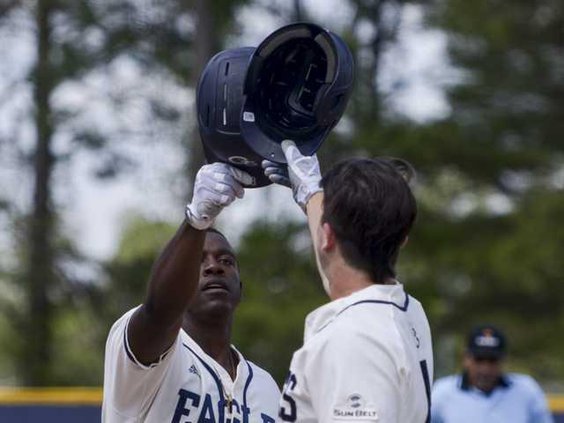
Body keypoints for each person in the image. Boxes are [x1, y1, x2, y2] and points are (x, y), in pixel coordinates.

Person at [263, 141, 434, 422]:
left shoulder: (354, 339)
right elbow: (338, 276)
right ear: (402, 240)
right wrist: (312, 196)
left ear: (327, 236)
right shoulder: (404, 309)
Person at [102, 163, 280, 422]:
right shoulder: (151, 351)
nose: (214, 267)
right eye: (199, 260)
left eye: (226, 261)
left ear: (240, 290)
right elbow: (159, 310)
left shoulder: (266, 389)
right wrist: (196, 221)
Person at [431, 324, 553, 423]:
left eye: (492, 360)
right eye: (479, 360)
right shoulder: (442, 393)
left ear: (503, 360)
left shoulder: (526, 390)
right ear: (466, 358)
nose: (485, 368)